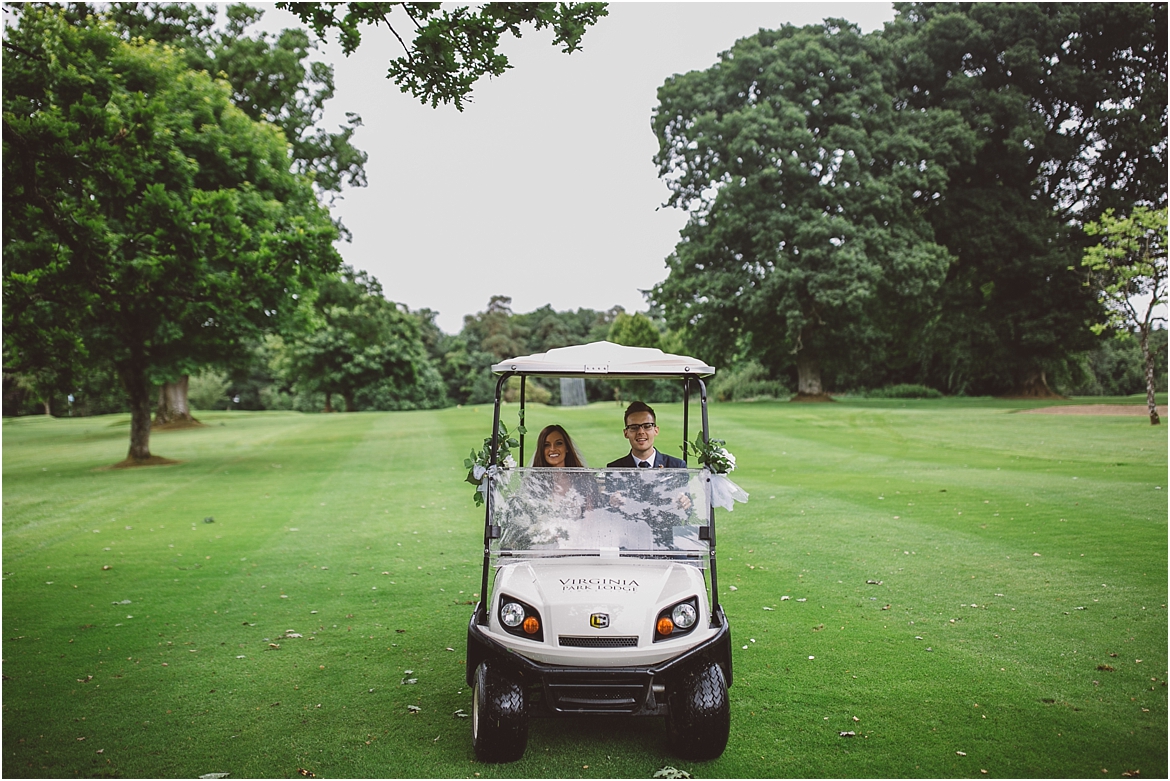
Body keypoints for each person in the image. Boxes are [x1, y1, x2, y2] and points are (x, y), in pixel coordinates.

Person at [606, 401, 686, 468]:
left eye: (647, 426)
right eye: (634, 427)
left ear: (656, 430)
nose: (641, 432)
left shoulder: (677, 466)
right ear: (626, 433)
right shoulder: (614, 469)